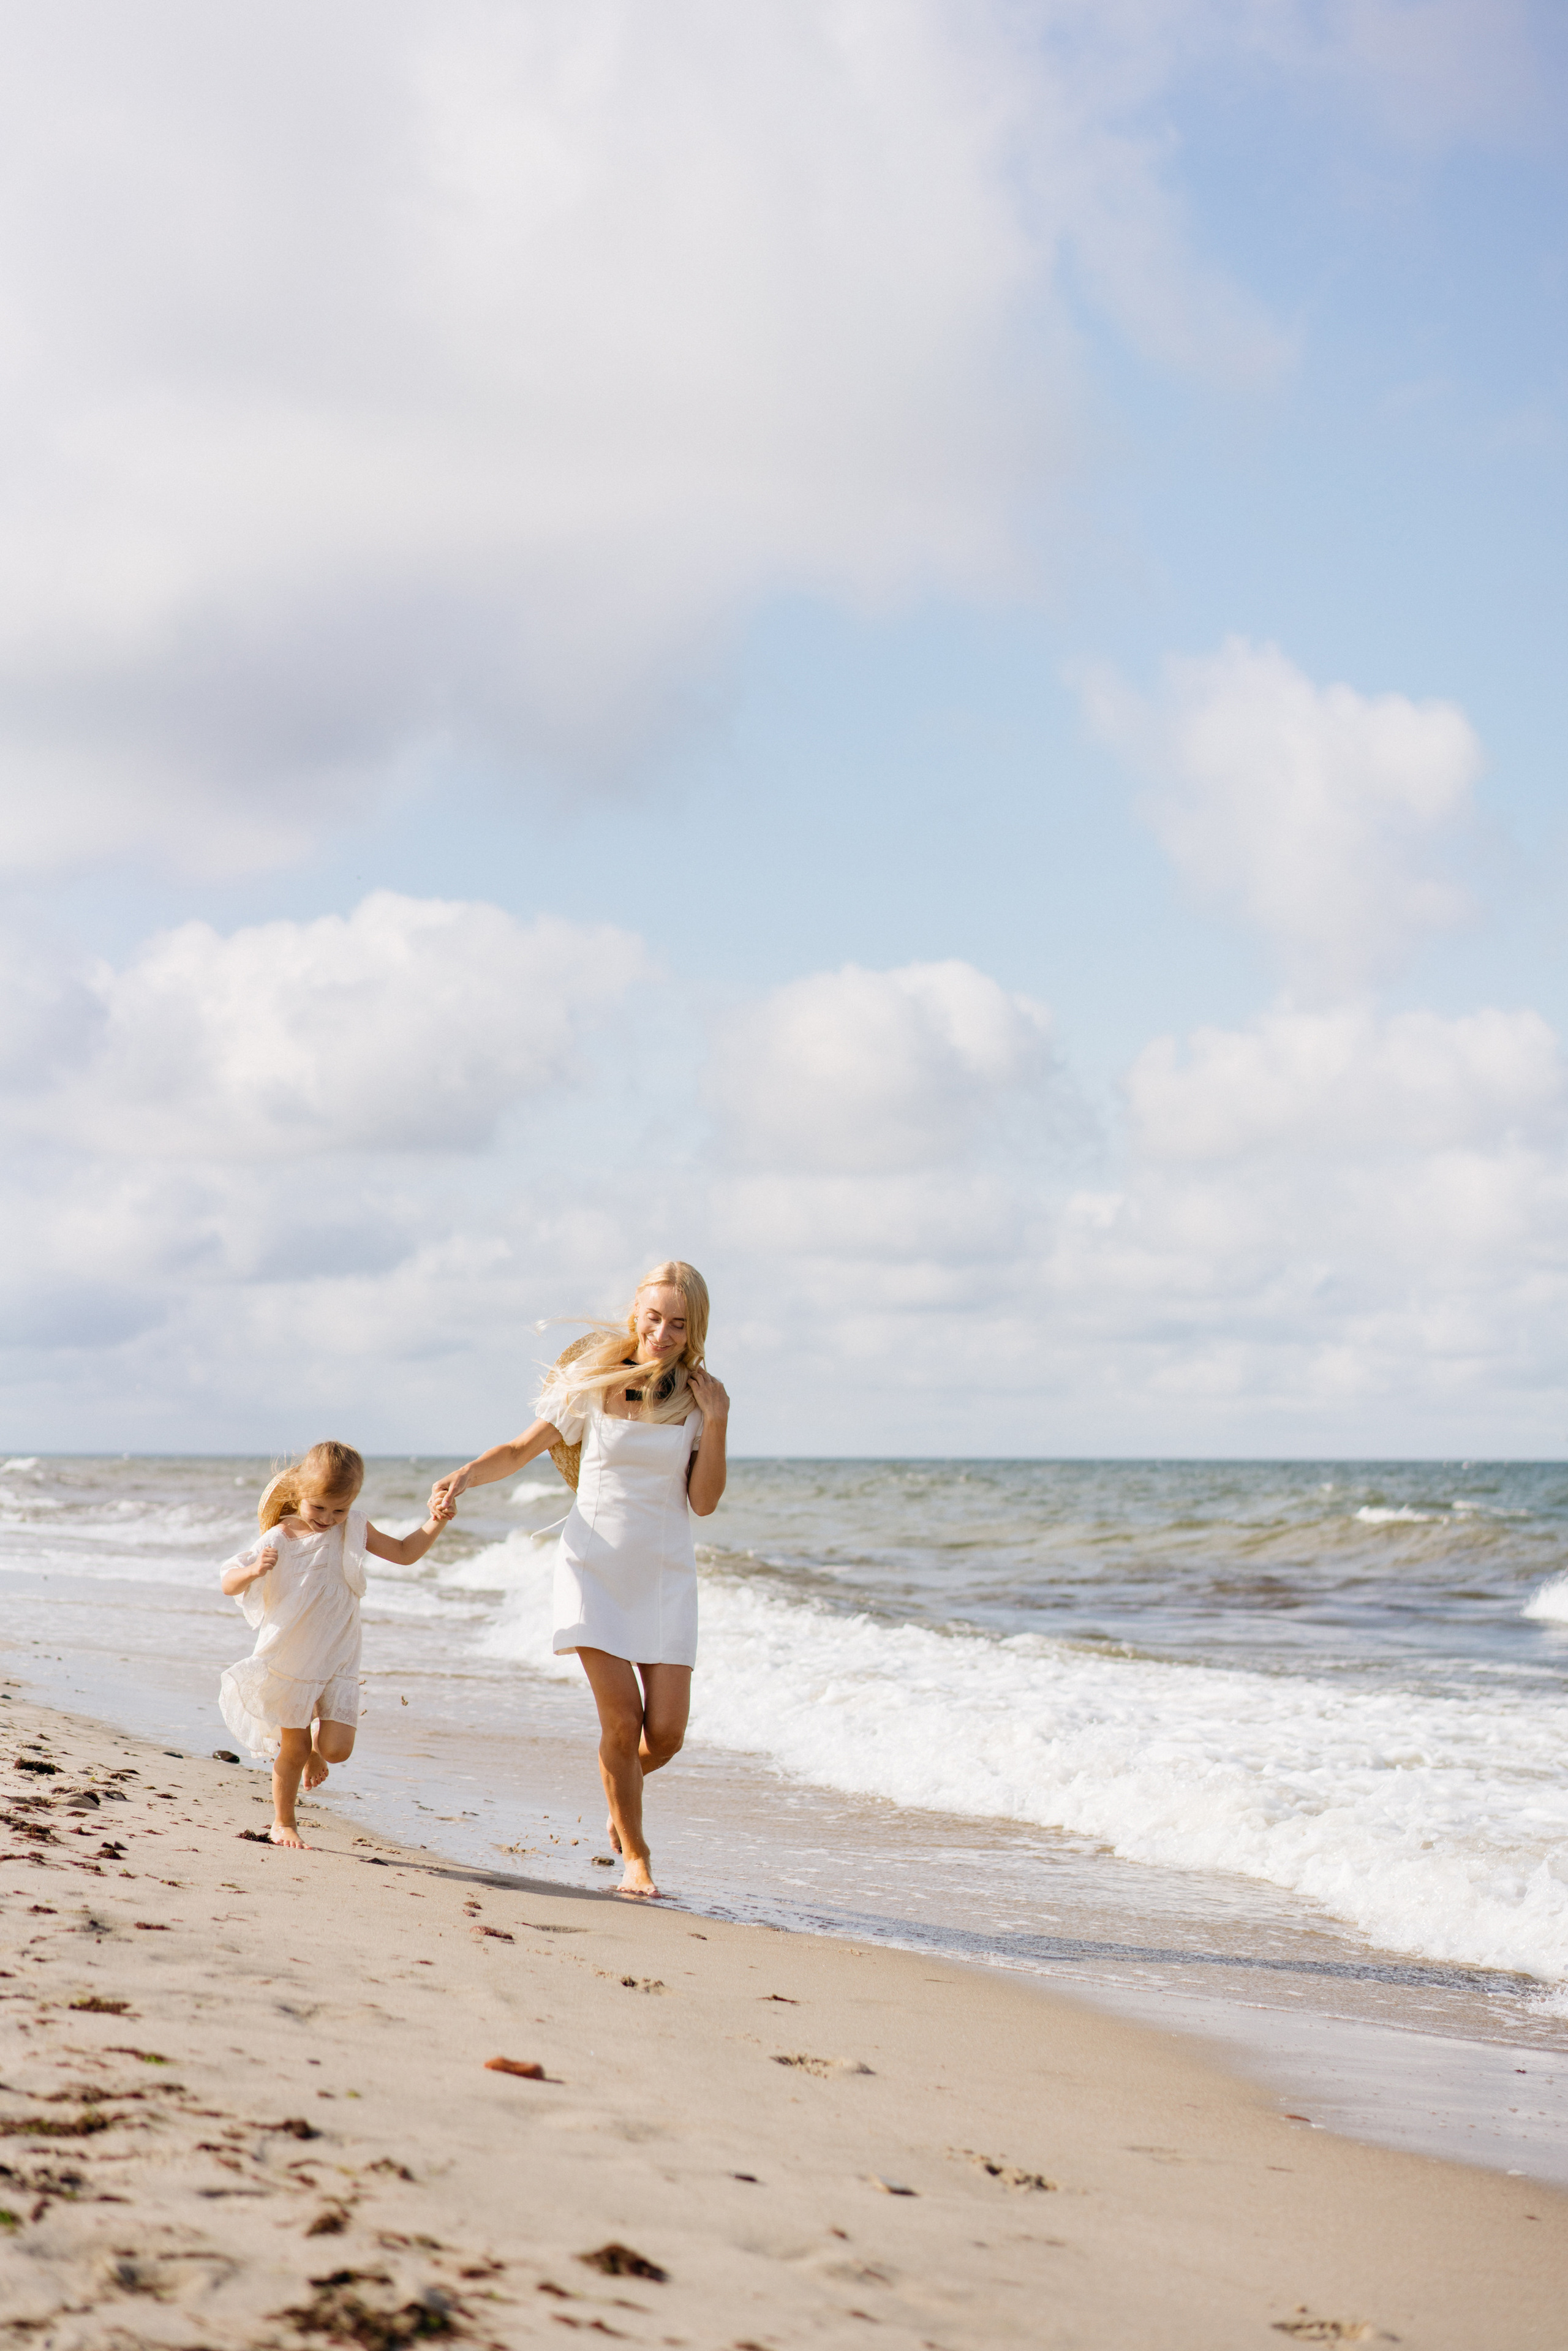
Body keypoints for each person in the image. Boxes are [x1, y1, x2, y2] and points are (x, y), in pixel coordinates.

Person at [429, 1260, 729, 1898]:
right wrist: (464, 1477)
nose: (662, 1333)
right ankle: (637, 1857)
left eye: (678, 1323)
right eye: (653, 1317)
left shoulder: (701, 1400)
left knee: (666, 1735)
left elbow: (703, 1502)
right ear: (635, 1314)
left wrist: (721, 1421)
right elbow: (519, 1449)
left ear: (694, 1327)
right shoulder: (590, 1384)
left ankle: (618, 1788)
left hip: (666, 1573)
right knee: (622, 1725)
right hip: (593, 1567)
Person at [217, 1438, 453, 1849]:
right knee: (293, 1749)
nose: (329, 1518)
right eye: (319, 1508)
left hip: (340, 1654)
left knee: (337, 1748)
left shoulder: (355, 1527)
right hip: (293, 1655)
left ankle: (316, 1751)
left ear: (353, 1502)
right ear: (300, 1496)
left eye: (339, 1509)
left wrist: (437, 1521)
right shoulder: (282, 1535)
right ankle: (284, 1822)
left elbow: (404, 1552)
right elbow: (227, 1581)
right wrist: (255, 1570)